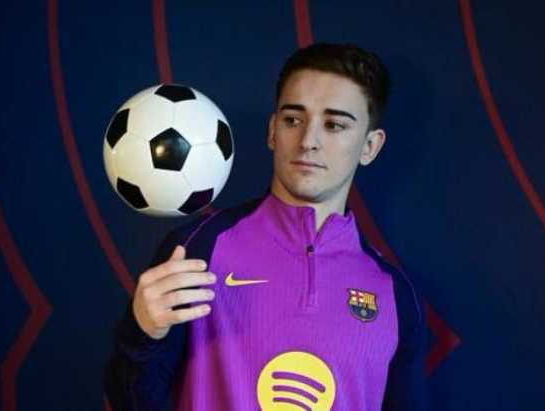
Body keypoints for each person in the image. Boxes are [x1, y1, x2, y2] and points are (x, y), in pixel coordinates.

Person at [105, 43, 428, 410]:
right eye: (293, 120)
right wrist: (141, 334)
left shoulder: (394, 295)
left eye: (334, 125)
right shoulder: (197, 251)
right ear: (273, 130)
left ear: (370, 146)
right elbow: (130, 402)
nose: (308, 141)